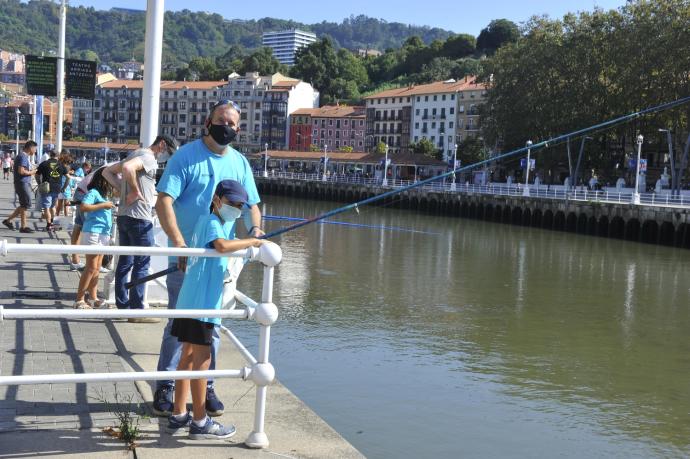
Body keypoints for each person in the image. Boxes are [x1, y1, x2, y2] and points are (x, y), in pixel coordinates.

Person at [152, 100, 264, 417]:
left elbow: (253, 204)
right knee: (179, 325)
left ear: (238, 129)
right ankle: (166, 386)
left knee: (210, 327)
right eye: (221, 120)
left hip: (218, 262)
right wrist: (179, 245)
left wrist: (255, 229)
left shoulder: (241, 163)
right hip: (186, 258)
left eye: (232, 123)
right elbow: (164, 201)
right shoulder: (186, 156)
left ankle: (207, 385)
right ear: (208, 121)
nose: (226, 127)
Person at [166, 180, 263, 439]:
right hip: (202, 304)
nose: (236, 208)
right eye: (232, 203)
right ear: (217, 200)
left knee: (187, 356)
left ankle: (178, 413)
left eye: (240, 206)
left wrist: (243, 242)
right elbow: (221, 246)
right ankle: (199, 420)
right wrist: (250, 242)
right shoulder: (212, 222)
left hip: (192, 300)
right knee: (202, 361)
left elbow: (224, 244)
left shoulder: (211, 222)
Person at [103, 135, 177, 321]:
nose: (167, 157)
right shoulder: (148, 157)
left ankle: (123, 305)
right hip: (140, 217)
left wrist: (122, 189)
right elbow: (127, 169)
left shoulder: (133, 154)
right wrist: (134, 192)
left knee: (124, 263)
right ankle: (137, 311)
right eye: (169, 152)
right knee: (142, 264)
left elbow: (107, 172)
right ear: (162, 145)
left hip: (123, 216)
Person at [73, 168, 115, 309]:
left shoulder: (105, 195)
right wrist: (103, 205)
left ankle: (93, 297)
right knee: (90, 267)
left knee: (97, 268)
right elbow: (84, 206)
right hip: (93, 232)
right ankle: (79, 299)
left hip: (103, 233)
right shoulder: (94, 192)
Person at [3, 141, 38, 233]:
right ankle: (23, 226)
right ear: (30, 148)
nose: (35, 151)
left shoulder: (22, 156)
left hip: (22, 183)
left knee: (25, 204)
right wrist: (32, 172)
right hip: (22, 183)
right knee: (25, 204)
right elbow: (21, 171)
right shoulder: (23, 157)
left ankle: (8, 221)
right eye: (35, 148)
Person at [69, 161, 94, 270]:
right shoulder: (114, 172)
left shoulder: (105, 169)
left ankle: (75, 259)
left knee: (78, 226)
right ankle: (92, 263)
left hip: (79, 193)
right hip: (85, 196)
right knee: (90, 230)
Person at [36, 150, 68, 232]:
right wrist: (64, 187)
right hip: (57, 188)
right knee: (53, 206)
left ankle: (49, 225)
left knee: (46, 207)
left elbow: (37, 174)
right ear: (58, 156)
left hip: (46, 187)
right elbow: (68, 177)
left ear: (50, 155)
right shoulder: (61, 165)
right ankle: (52, 223)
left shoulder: (44, 164)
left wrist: (39, 183)